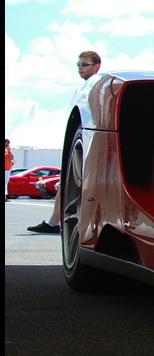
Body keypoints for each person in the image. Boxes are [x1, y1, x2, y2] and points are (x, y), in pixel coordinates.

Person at [28, 50, 102, 234]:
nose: (80, 68)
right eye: (78, 65)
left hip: (90, 144)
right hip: (81, 144)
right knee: (66, 182)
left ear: (96, 66)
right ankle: (56, 222)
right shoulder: (86, 88)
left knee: (73, 183)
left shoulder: (97, 86)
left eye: (84, 64)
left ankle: (61, 223)